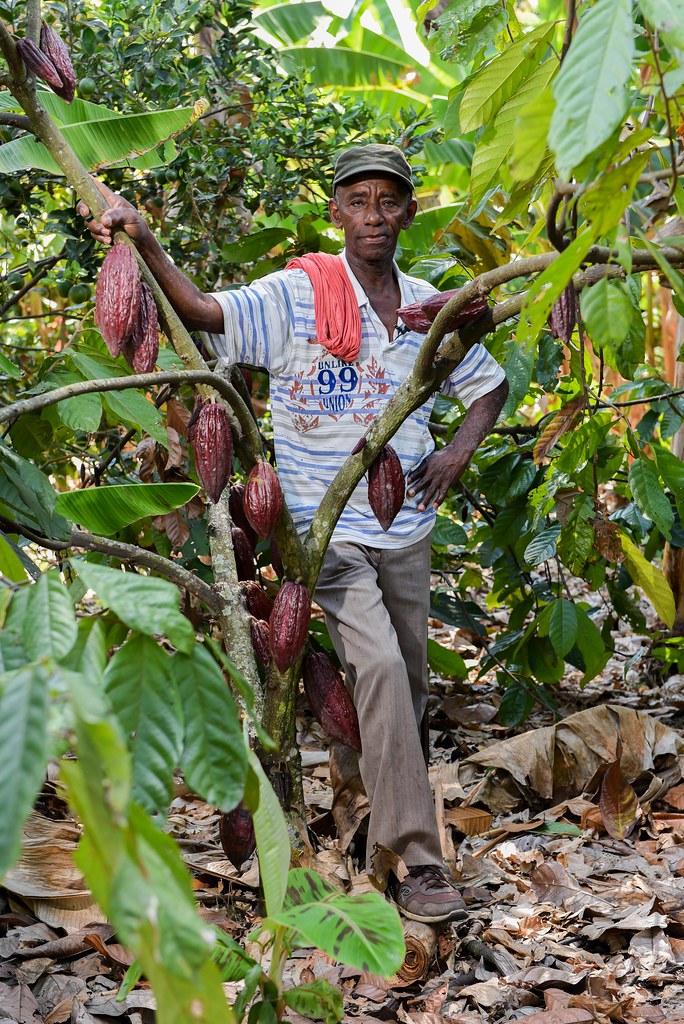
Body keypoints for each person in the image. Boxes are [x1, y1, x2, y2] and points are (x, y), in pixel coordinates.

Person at [79, 143, 508, 924]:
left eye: (388, 202)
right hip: (325, 532)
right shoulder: (298, 296)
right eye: (358, 202)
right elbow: (208, 313)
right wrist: (142, 240)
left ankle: (361, 813)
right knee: (376, 666)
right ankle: (419, 860)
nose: (374, 217)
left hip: (406, 528)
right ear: (336, 211)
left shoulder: (430, 308)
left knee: (402, 688)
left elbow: (490, 383)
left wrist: (456, 451)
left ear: (408, 211)